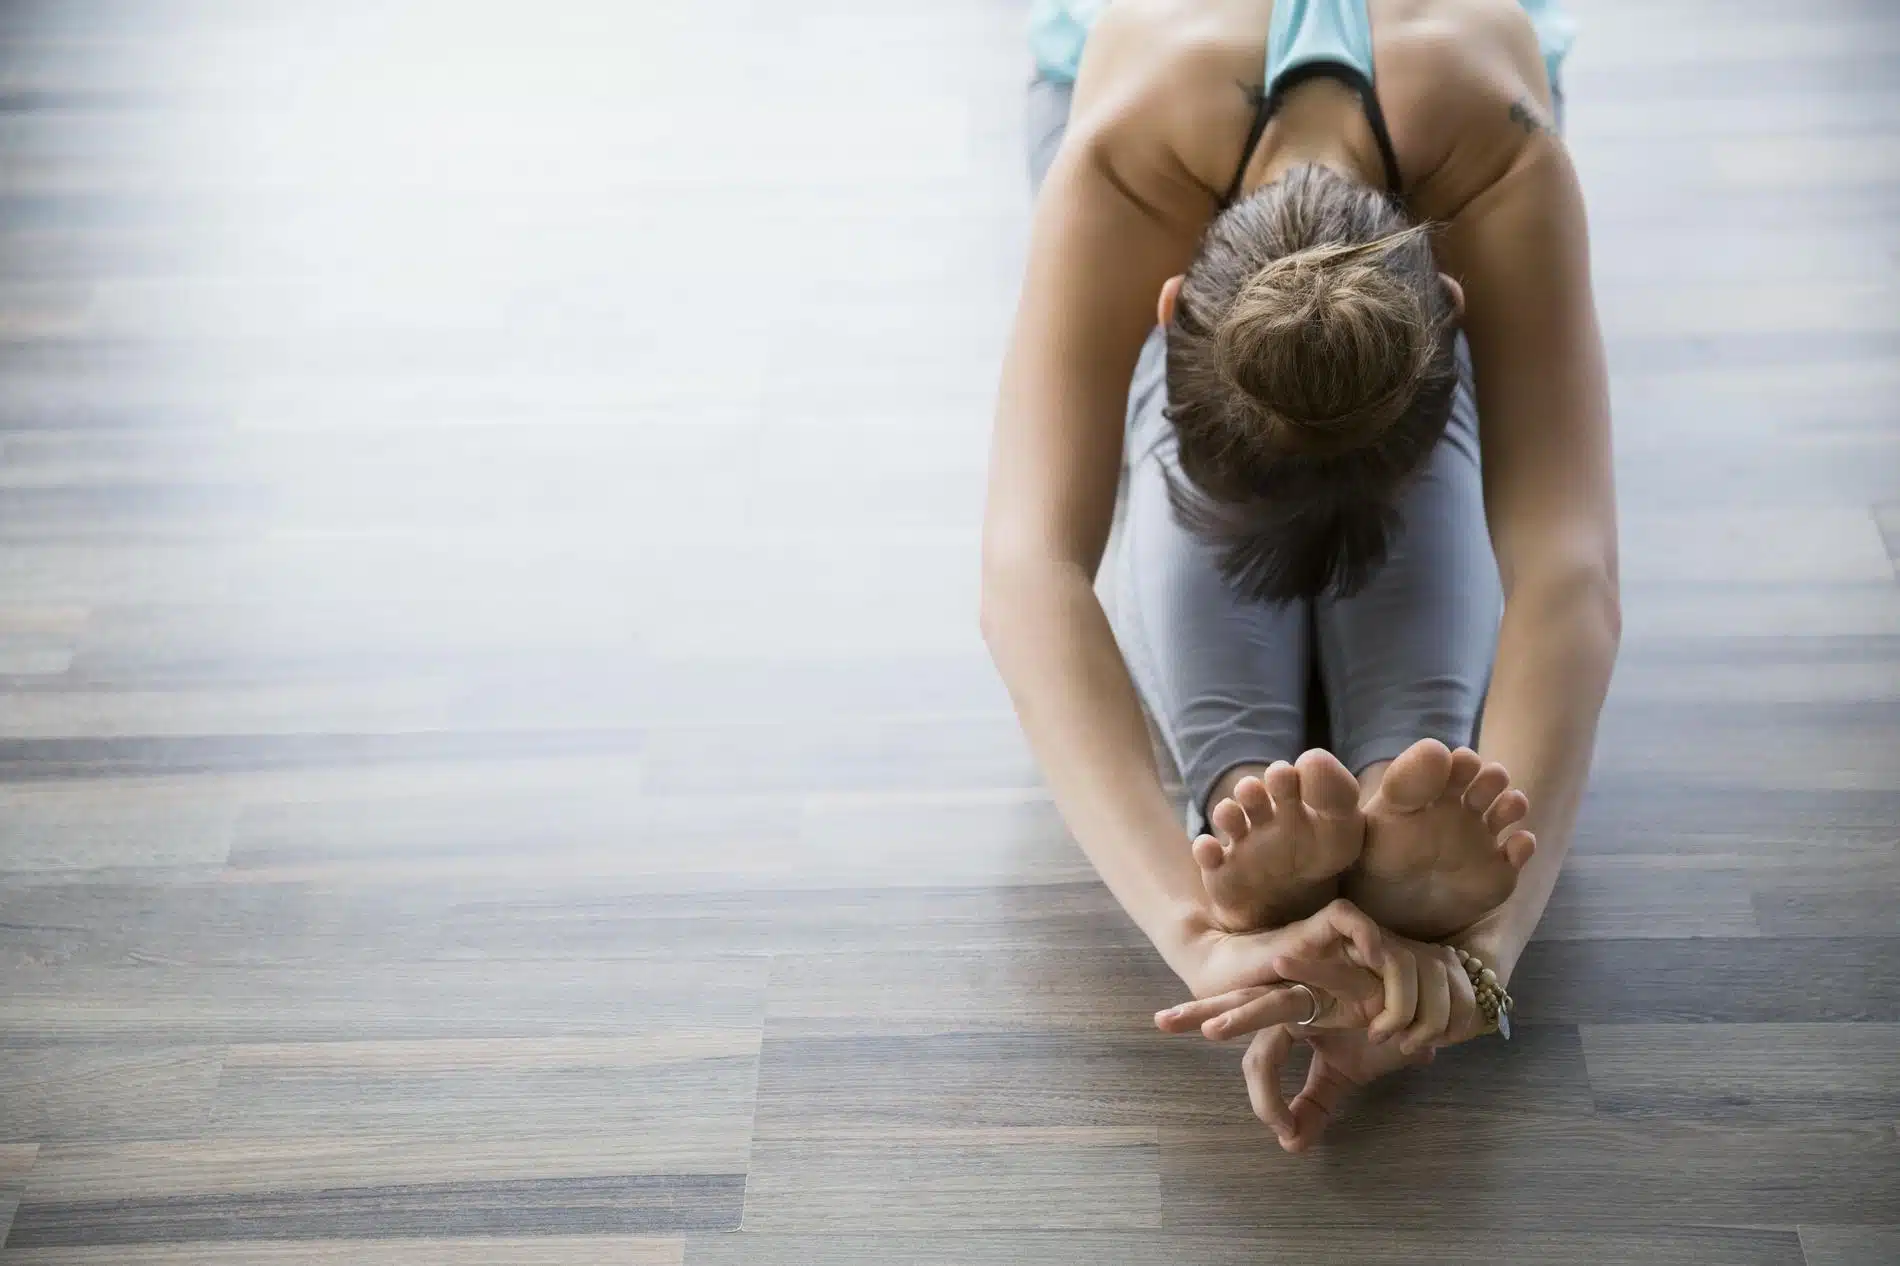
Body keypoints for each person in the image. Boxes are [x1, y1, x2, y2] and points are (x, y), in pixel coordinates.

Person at [980, 0, 1619, 1152]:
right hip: (1171, 145)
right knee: (1259, 401)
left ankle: (1284, 794)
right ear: (1166, 302)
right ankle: (1346, 783)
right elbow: (1030, 571)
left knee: (1360, 385)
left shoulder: (1501, 142)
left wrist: (1484, 959)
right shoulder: (1126, 150)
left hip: (1433, 163)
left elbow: (1566, 566)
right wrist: (1201, 936)